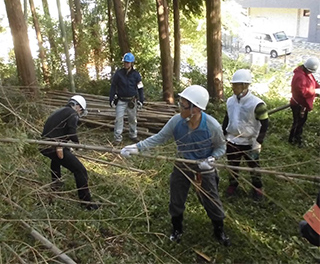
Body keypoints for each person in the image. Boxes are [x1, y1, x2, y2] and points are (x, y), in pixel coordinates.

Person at [120, 85, 231, 246]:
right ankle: (177, 228)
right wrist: (138, 147)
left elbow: (221, 147)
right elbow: (160, 137)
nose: (180, 108)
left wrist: (212, 159)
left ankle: (219, 230)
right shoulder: (177, 121)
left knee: (210, 198)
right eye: (180, 103)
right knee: (176, 196)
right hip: (182, 162)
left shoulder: (211, 126)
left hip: (204, 164)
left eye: (183, 105)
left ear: (196, 109)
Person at [39, 95, 99, 210]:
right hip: (53, 146)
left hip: (44, 145)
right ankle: (86, 203)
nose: (80, 113)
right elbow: (72, 132)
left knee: (56, 159)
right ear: (77, 106)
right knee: (80, 170)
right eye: (81, 110)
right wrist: (77, 145)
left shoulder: (60, 111)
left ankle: (56, 184)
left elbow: (59, 132)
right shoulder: (72, 114)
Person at [222, 69, 269, 201]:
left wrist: (259, 141)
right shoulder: (230, 101)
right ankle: (233, 184)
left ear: (245, 86)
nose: (233, 87)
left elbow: (265, 123)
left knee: (254, 166)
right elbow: (227, 117)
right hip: (232, 139)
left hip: (249, 142)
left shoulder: (257, 104)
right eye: (232, 85)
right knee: (232, 164)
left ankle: (257, 187)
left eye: (236, 85)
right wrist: (223, 132)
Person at [109, 52, 144, 145]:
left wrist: (141, 100)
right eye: (125, 62)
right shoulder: (118, 74)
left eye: (128, 62)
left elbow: (140, 88)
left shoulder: (136, 75)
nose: (126, 64)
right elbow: (113, 86)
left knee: (132, 119)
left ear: (131, 63)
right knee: (118, 119)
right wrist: (111, 98)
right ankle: (117, 138)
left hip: (132, 100)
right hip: (121, 100)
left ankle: (133, 135)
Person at [289, 57, 320, 147]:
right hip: (298, 104)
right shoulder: (300, 76)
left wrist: (318, 88)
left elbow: (314, 84)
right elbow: (302, 92)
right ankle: (293, 140)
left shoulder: (307, 74)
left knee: (301, 121)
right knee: (298, 122)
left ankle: (297, 137)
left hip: (303, 104)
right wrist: (315, 92)